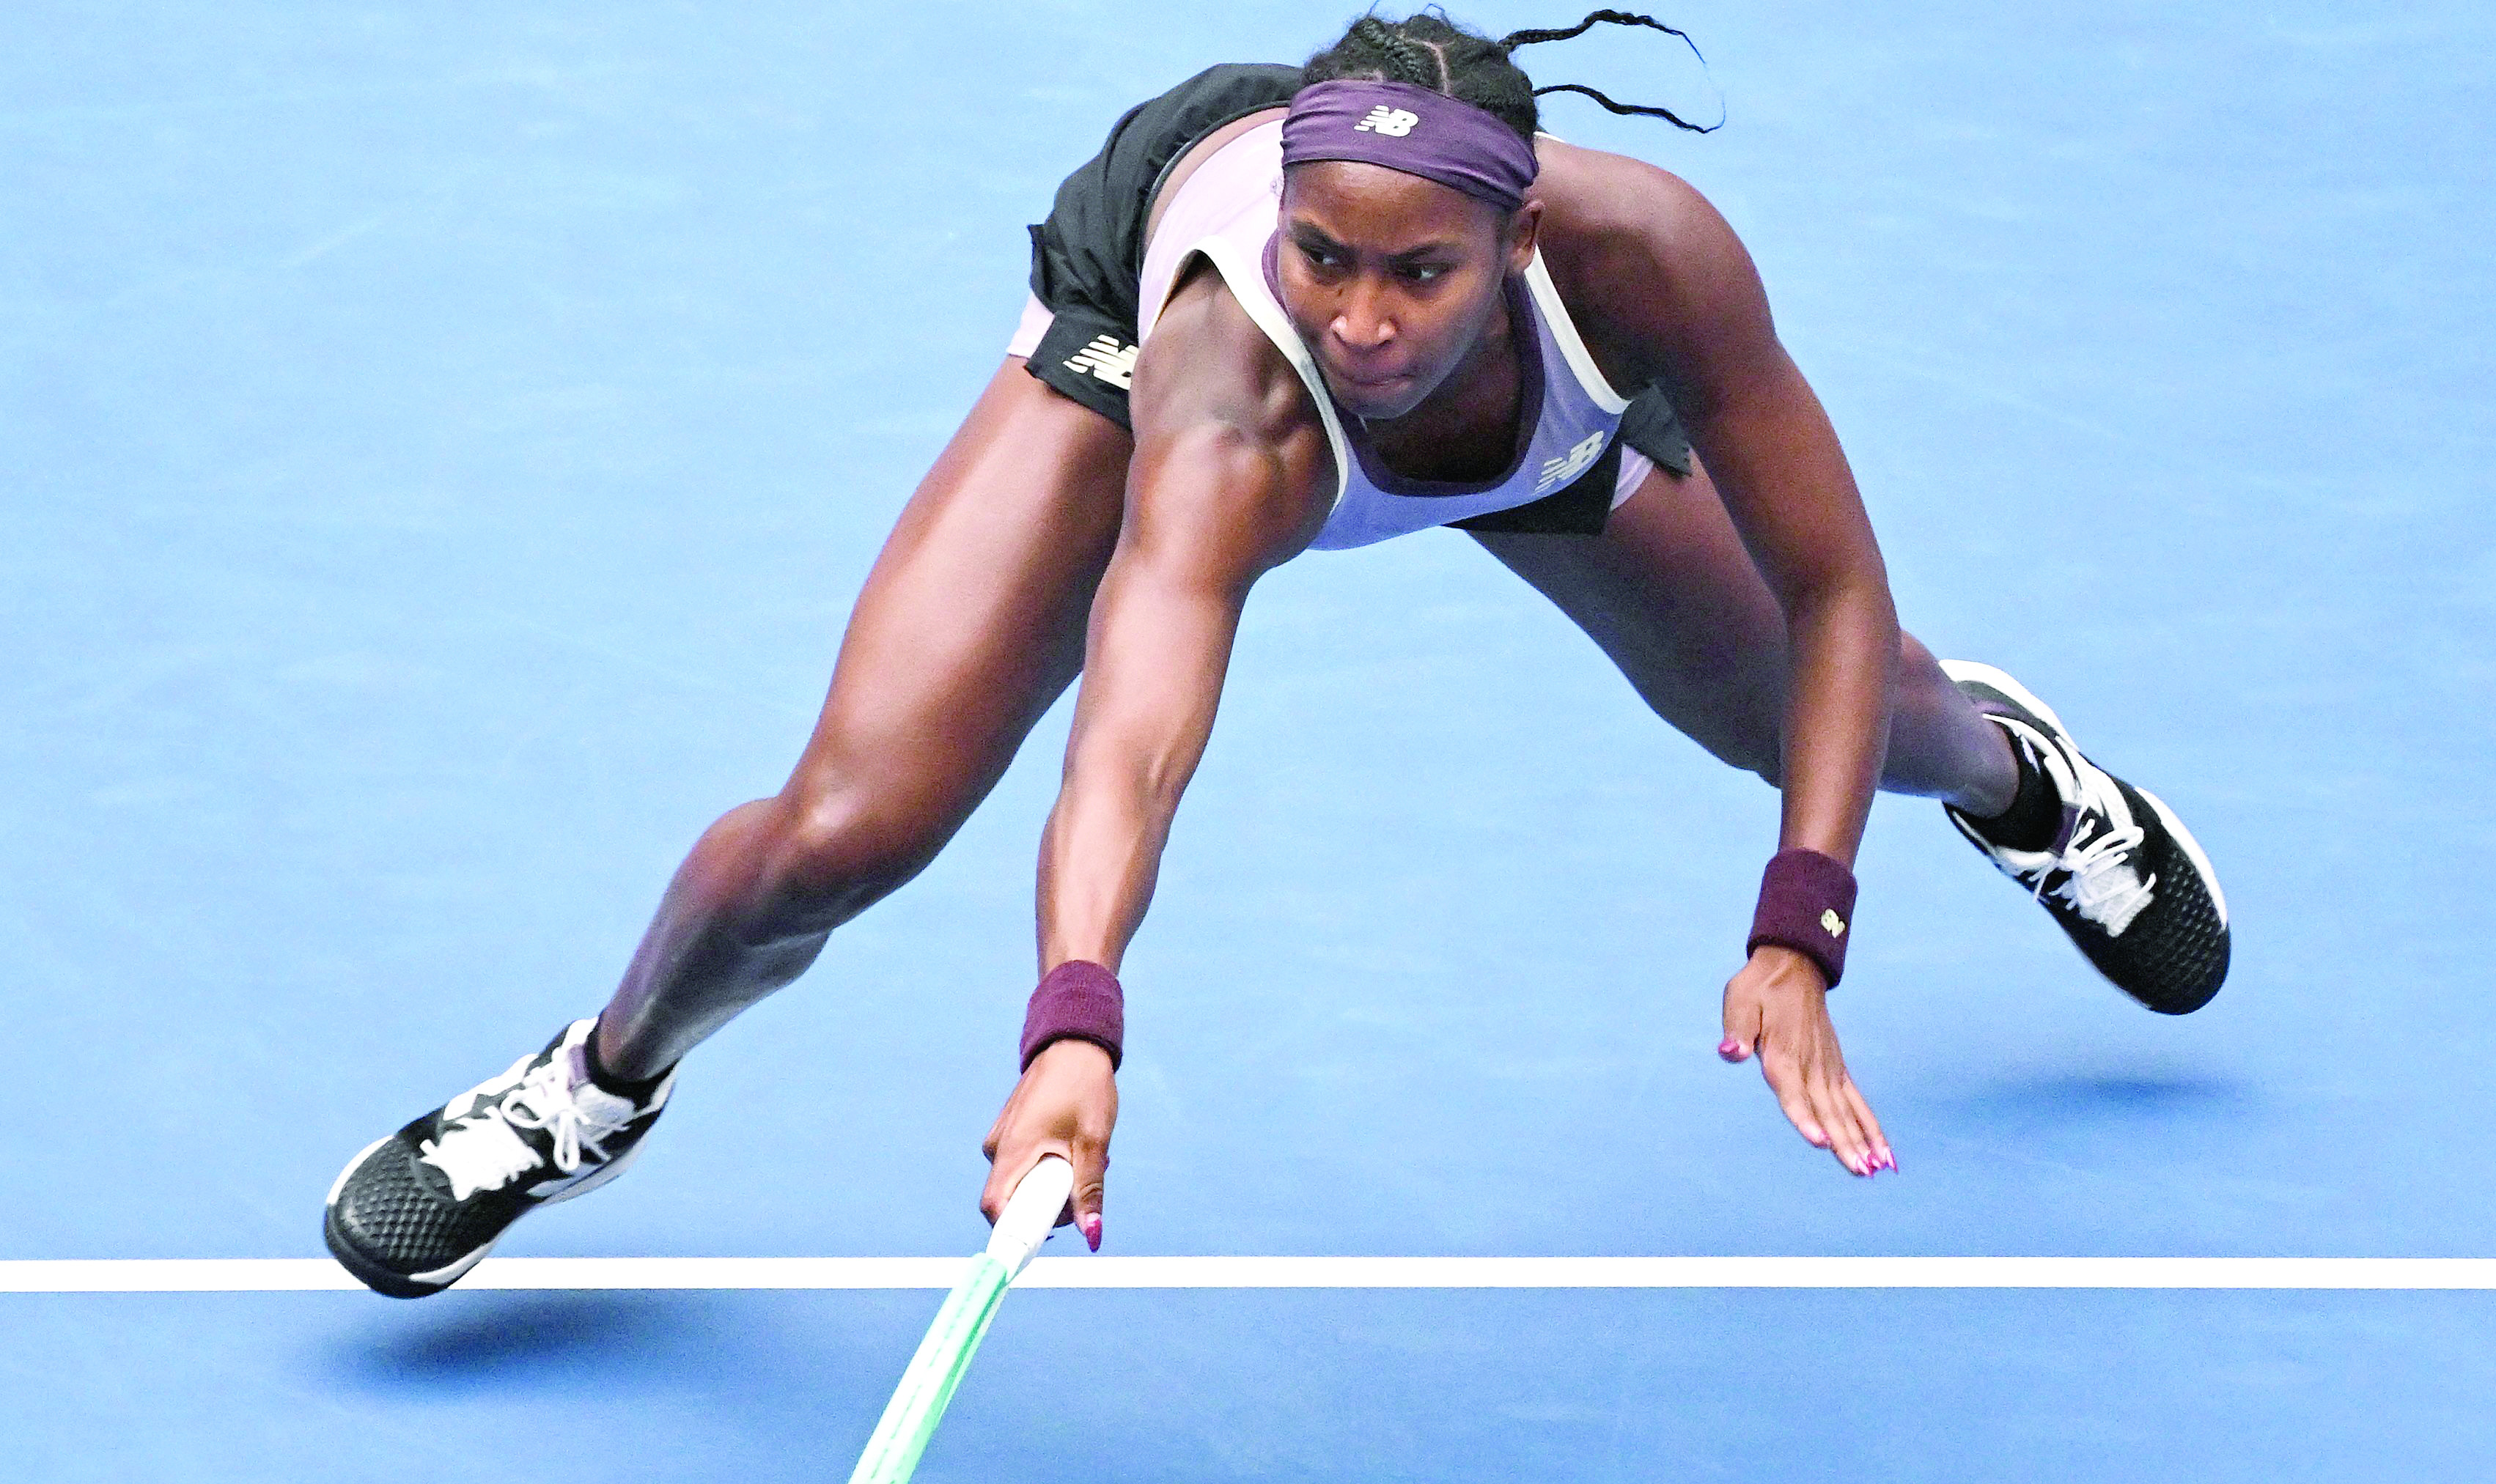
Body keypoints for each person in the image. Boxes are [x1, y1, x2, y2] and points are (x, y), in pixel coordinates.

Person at [323, 9, 2229, 1299]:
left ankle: (2031, 788)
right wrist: (1076, 1020)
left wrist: (1800, 920)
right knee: (849, 824)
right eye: (1329, 255)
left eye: (1419, 273)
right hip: (1178, 392)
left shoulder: (1647, 266)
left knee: (1856, 711)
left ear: (1523, 238)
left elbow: (1829, 587)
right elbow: (1137, 727)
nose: (1370, 314)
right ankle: (595, 1082)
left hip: (1536, 426)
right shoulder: (1234, 388)